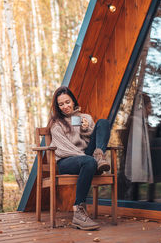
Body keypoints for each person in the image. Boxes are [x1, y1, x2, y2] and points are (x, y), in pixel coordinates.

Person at [48, 86, 111, 230]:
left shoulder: (84, 118)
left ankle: (99, 156)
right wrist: (89, 159)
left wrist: (87, 129)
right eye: (61, 104)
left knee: (103, 123)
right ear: (57, 107)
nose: (65, 106)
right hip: (66, 160)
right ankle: (78, 212)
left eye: (67, 102)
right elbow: (64, 148)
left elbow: (94, 139)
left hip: (87, 159)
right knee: (88, 161)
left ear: (73, 101)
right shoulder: (57, 124)